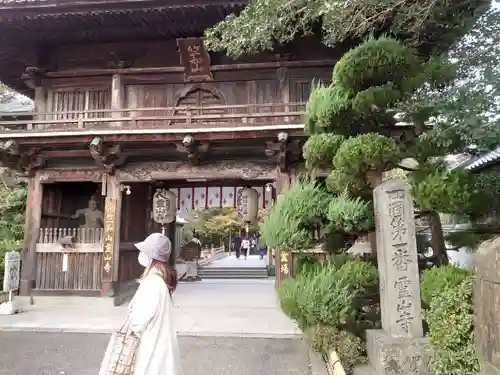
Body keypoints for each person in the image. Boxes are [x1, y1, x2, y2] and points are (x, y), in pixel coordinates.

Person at [128, 232, 182, 375]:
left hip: (151, 348)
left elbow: (138, 321)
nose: (141, 254)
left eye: (144, 251)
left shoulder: (151, 283)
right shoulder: (161, 280)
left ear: (151, 257)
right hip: (162, 347)